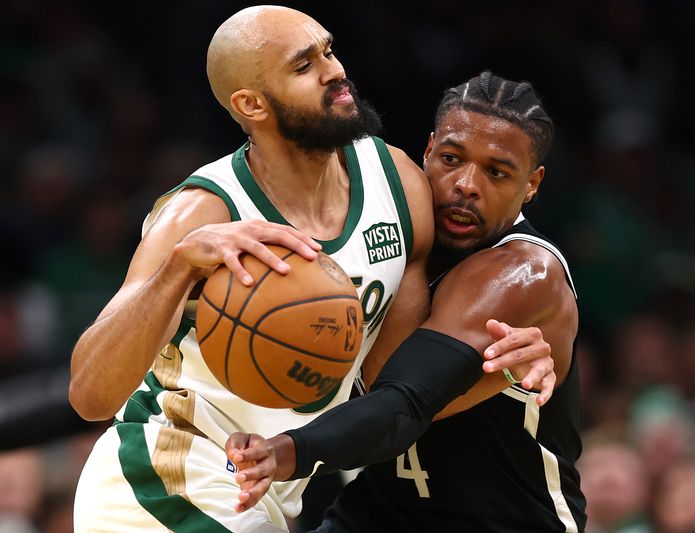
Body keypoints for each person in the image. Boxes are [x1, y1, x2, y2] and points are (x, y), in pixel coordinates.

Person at [68, 7, 554, 532]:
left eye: (328, 50)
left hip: (261, 488)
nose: (334, 71)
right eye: (304, 66)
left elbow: (390, 392)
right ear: (251, 104)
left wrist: (499, 366)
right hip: (163, 475)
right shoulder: (204, 212)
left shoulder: (398, 185)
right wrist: (179, 268)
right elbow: (90, 395)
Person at [227, 71, 587, 532]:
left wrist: (283, 451)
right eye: (452, 158)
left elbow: (401, 401)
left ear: (532, 184)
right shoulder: (385, 234)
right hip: (382, 513)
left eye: (497, 172)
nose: (466, 185)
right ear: (428, 149)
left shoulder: (522, 273)